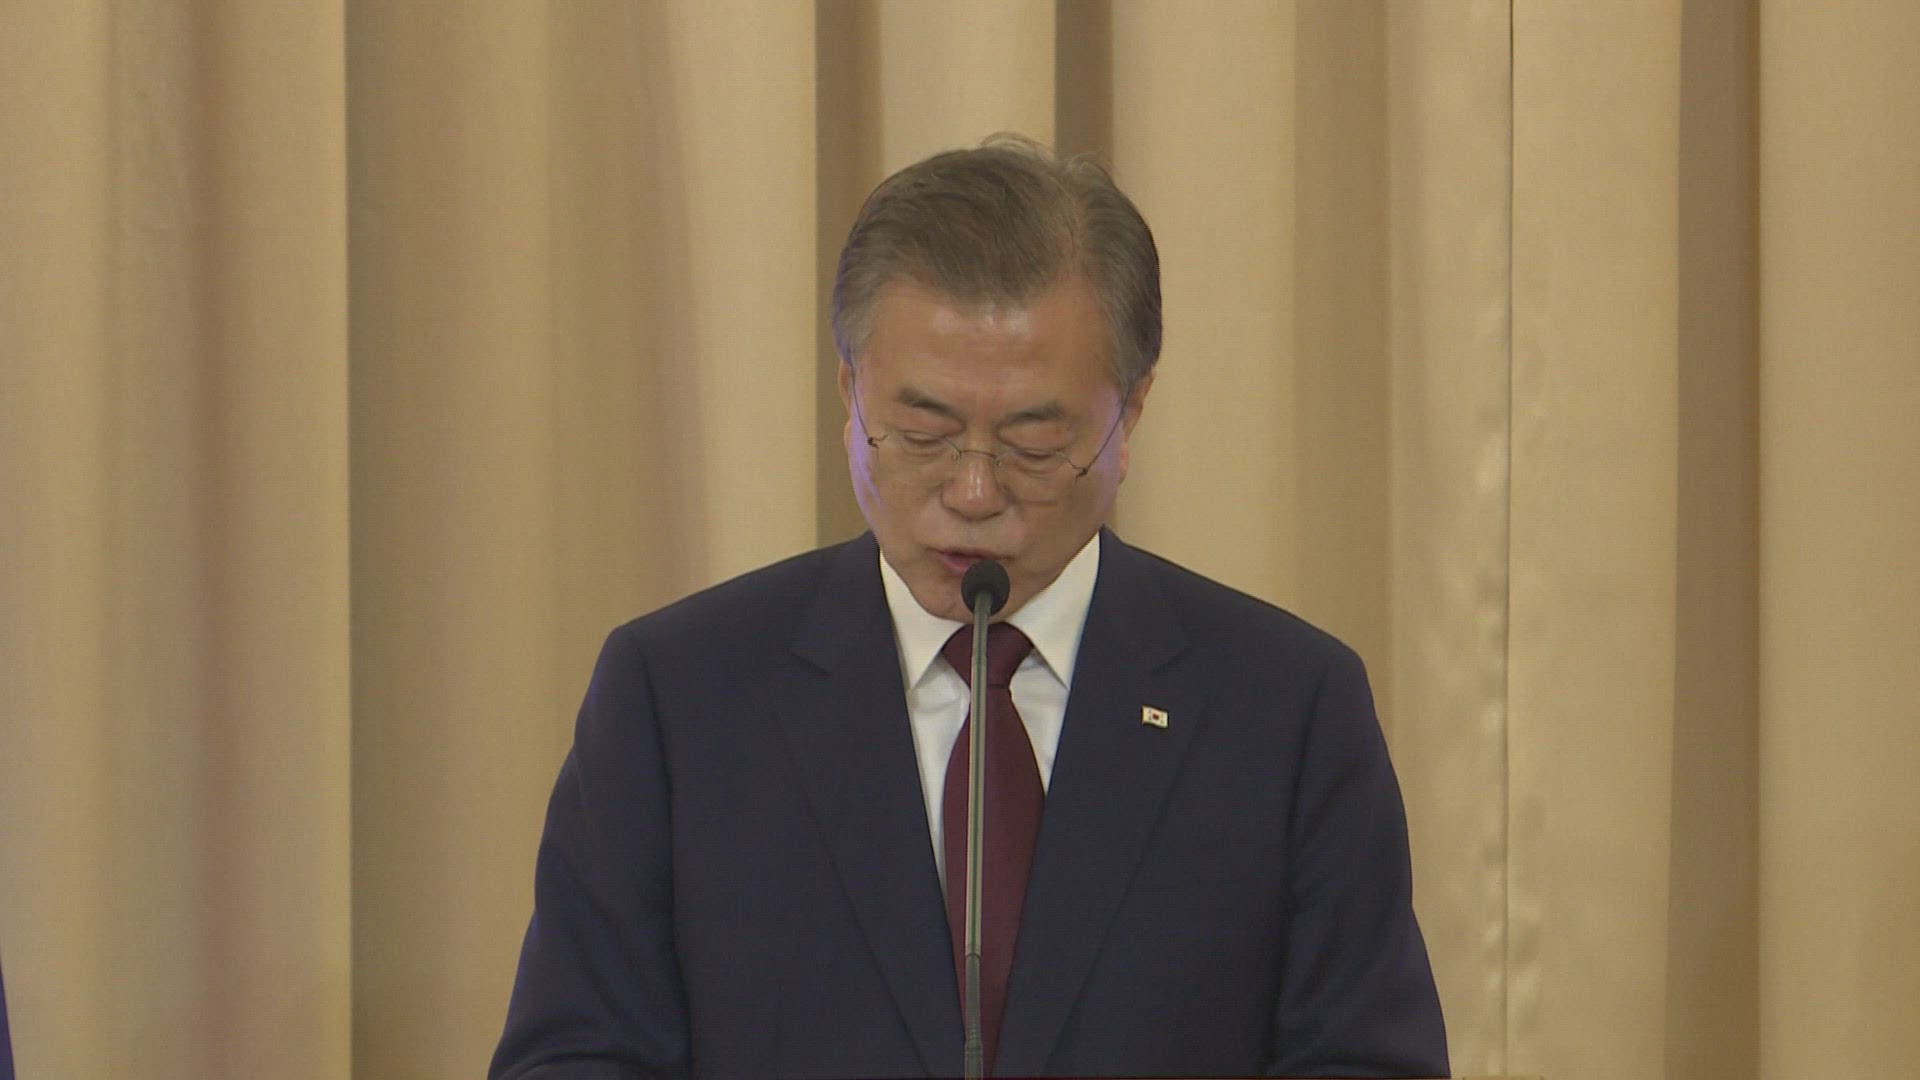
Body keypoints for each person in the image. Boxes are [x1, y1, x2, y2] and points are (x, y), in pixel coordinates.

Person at [490, 135, 1446, 1079]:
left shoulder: (1284, 711)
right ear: (849, 394)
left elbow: (1367, 1059)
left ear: (1130, 414)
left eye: (1034, 444)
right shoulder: (681, 698)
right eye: (922, 433)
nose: (975, 492)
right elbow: (575, 1057)